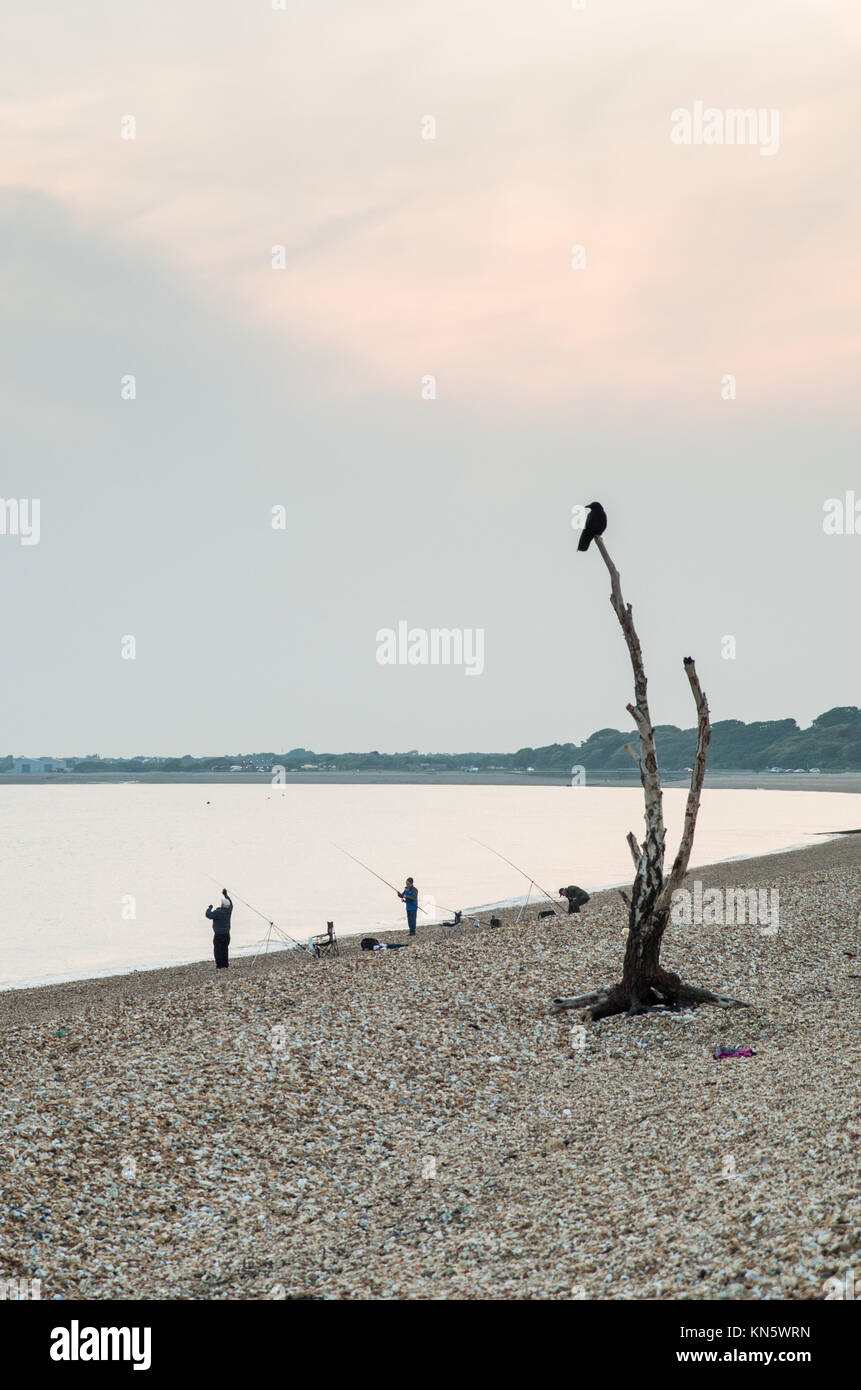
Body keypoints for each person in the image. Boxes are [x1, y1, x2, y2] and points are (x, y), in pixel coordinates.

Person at [206, 890, 233, 968]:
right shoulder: (229, 910)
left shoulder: (218, 912)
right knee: (225, 949)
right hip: (227, 934)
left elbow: (208, 915)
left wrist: (209, 908)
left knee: (218, 950)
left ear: (222, 905)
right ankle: (225, 964)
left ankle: (219, 965)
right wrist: (226, 895)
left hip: (218, 935)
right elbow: (231, 903)